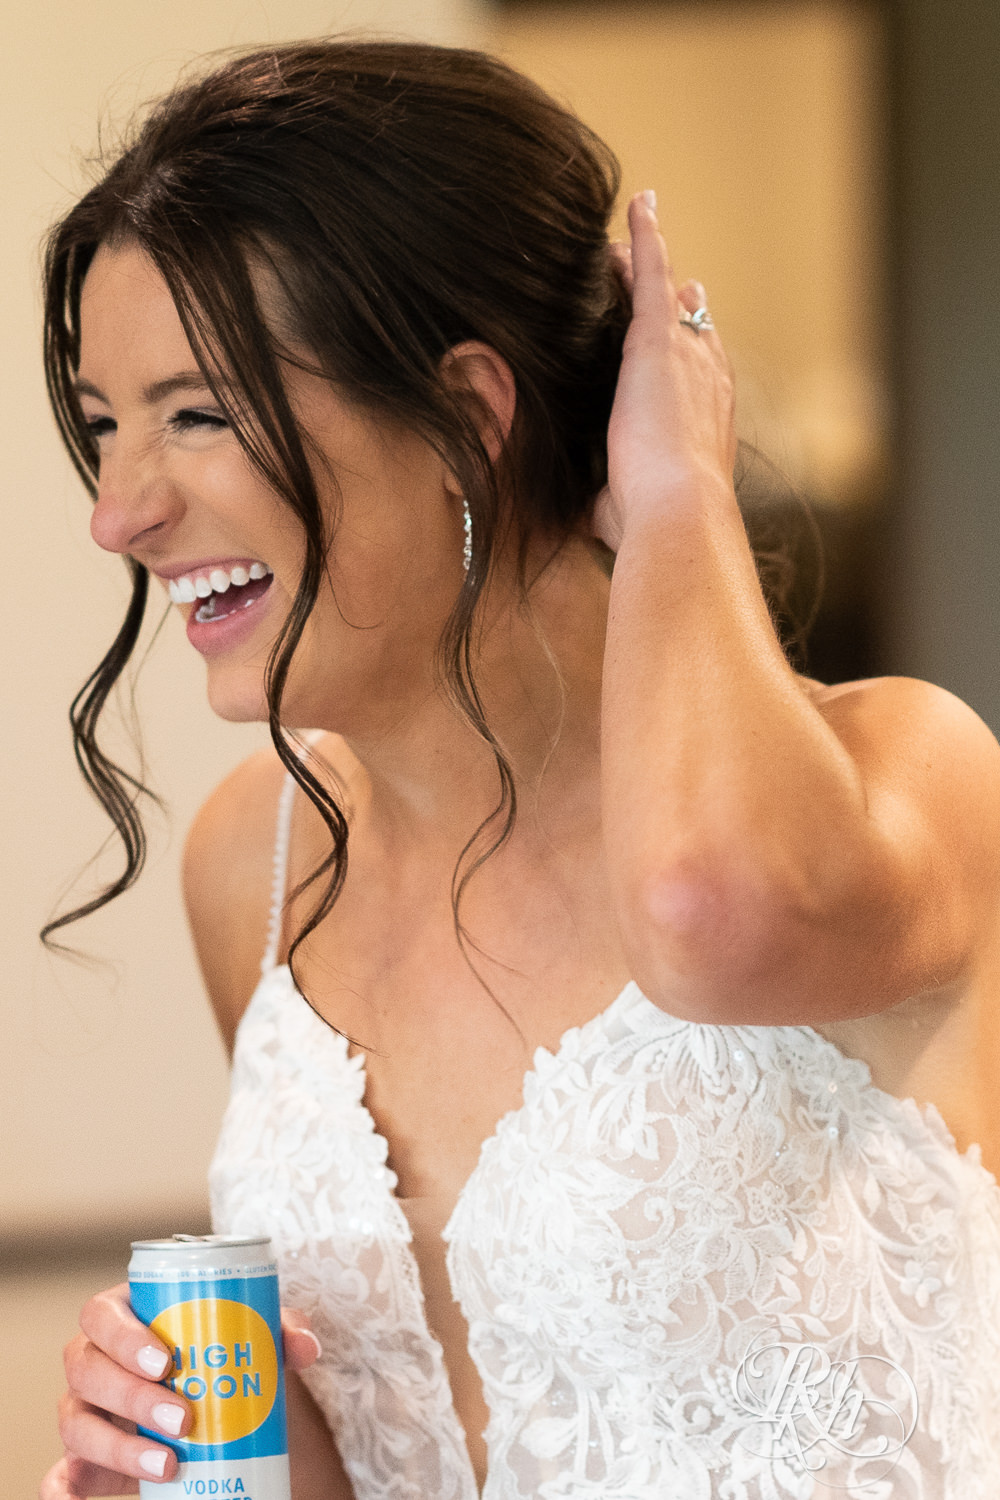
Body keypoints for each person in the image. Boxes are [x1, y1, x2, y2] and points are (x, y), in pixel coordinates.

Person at [38, 38, 1000, 1500]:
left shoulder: (909, 779)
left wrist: (676, 487)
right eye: (105, 428)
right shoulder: (255, 865)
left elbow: (707, 914)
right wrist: (211, 1453)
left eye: (197, 414)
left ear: (468, 419)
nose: (120, 513)